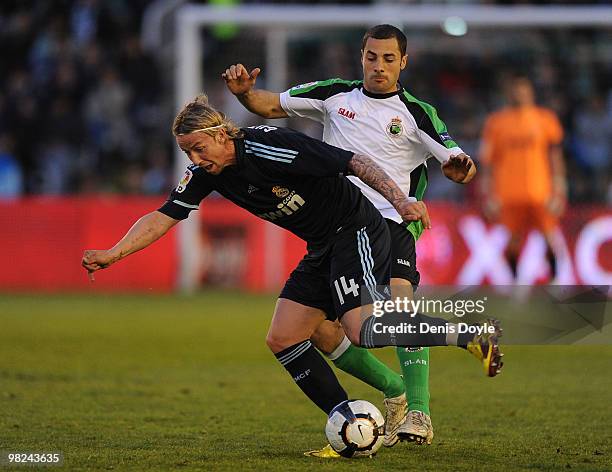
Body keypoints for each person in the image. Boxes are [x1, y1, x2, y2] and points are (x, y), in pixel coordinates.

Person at [82, 95, 502, 451]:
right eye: (186, 153)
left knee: (360, 328)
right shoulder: (206, 174)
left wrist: (400, 199)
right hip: (322, 245)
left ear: (219, 134)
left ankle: (470, 334)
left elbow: (354, 161)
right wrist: (115, 253)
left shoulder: (271, 147)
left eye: (197, 148)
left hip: (355, 228)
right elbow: (165, 215)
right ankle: (349, 420)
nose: (193, 159)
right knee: (285, 336)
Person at [222, 24, 484, 451]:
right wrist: (243, 93)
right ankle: (396, 391)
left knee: (397, 307)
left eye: (388, 59)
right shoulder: (334, 94)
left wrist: (460, 170)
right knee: (322, 332)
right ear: (361, 57)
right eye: (371, 57)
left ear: (403, 62)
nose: (378, 66)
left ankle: (420, 411)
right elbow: (270, 106)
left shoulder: (417, 113)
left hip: (391, 221)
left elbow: (457, 160)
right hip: (338, 226)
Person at [480, 76, 566, 282]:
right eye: (516, 90)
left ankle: (556, 282)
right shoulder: (496, 123)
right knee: (512, 241)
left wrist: (560, 188)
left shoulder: (545, 119)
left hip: (540, 191)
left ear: (531, 93)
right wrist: (488, 194)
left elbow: (555, 156)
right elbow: (488, 162)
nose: (520, 94)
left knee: (549, 237)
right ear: (509, 94)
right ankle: (514, 284)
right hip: (508, 193)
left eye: (523, 90)